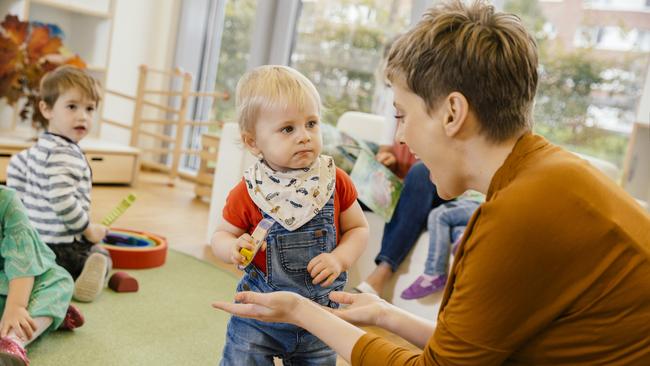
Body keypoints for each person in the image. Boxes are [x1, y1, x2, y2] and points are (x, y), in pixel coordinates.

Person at [212, 1, 650, 364]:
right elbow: (472, 348)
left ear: (452, 113)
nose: (399, 136)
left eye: (402, 114)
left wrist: (301, 311)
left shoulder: (517, 218)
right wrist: (386, 314)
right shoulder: (548, 175)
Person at [210, 65, 368, 365]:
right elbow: (221, 234)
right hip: (260, 316)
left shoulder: (334, 181)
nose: (304, 136)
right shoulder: (249, 190)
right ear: (253, 142)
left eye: (311, 123)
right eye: (288, 129)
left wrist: (340, 259)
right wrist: (231, 247)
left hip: (321, 319)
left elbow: (358, 229)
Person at [6, 65, 112, 303]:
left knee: (34, 266)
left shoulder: (29, 153)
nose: (82, 116)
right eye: (72, 107)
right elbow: (63, 200)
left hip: (33, 245)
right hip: (63, 246)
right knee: (101, 253)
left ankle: (34, 276)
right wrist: (88, 229)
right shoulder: (66, 154)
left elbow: (15, 189)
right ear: (46, 109)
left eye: (90, 109)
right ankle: (81, 274)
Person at [354, 40, 450, 297]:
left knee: (420, 175)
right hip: (399, 182)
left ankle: (380, 276)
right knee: (347, 192)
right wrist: (387, 159)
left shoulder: (436, 102)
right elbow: (388, 147)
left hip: (429, 187)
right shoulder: (395, 100)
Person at [0, 186, 84, 366]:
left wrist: (16, 305)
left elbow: (23, 261)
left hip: (23, 279)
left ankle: (13, 340)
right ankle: (50, 313)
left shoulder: (6, 200)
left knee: (59, 280)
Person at [400, 196, 481, 300]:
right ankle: (463, 236)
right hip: (467, 203)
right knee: (453, 228)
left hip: (483, 204)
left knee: (438, 214)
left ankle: (434, 272)